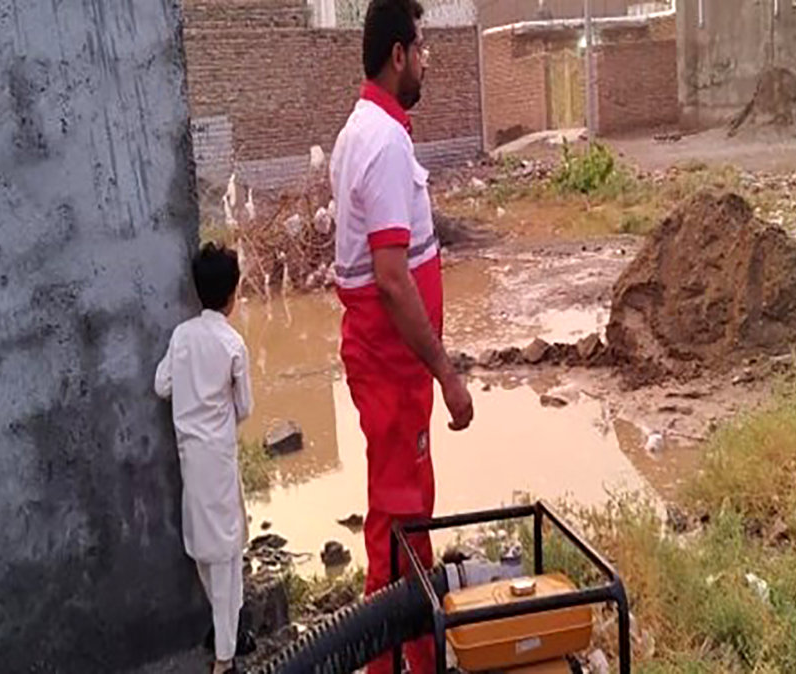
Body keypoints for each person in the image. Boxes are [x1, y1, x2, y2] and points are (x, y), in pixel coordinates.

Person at [329, 0, 474, 671]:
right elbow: (391, 277)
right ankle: (395, 658)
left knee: (405, 518)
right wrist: (446, 372)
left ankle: (414, 651)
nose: (427, 60)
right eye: (422, 48)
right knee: (398, 522)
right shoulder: (381, 143)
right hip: (392, 365)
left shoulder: (371, 130)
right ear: (397, 55)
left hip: (391, 366)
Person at [155, 243, 254, 674]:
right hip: (219, 457)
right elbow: (245, 407)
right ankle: (225, 659)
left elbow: (161, 386)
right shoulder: (233, 344)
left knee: (203, 546)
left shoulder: (181, 336)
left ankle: (226, 628)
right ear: (233, 294)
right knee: (228, 552)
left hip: (190, 458)